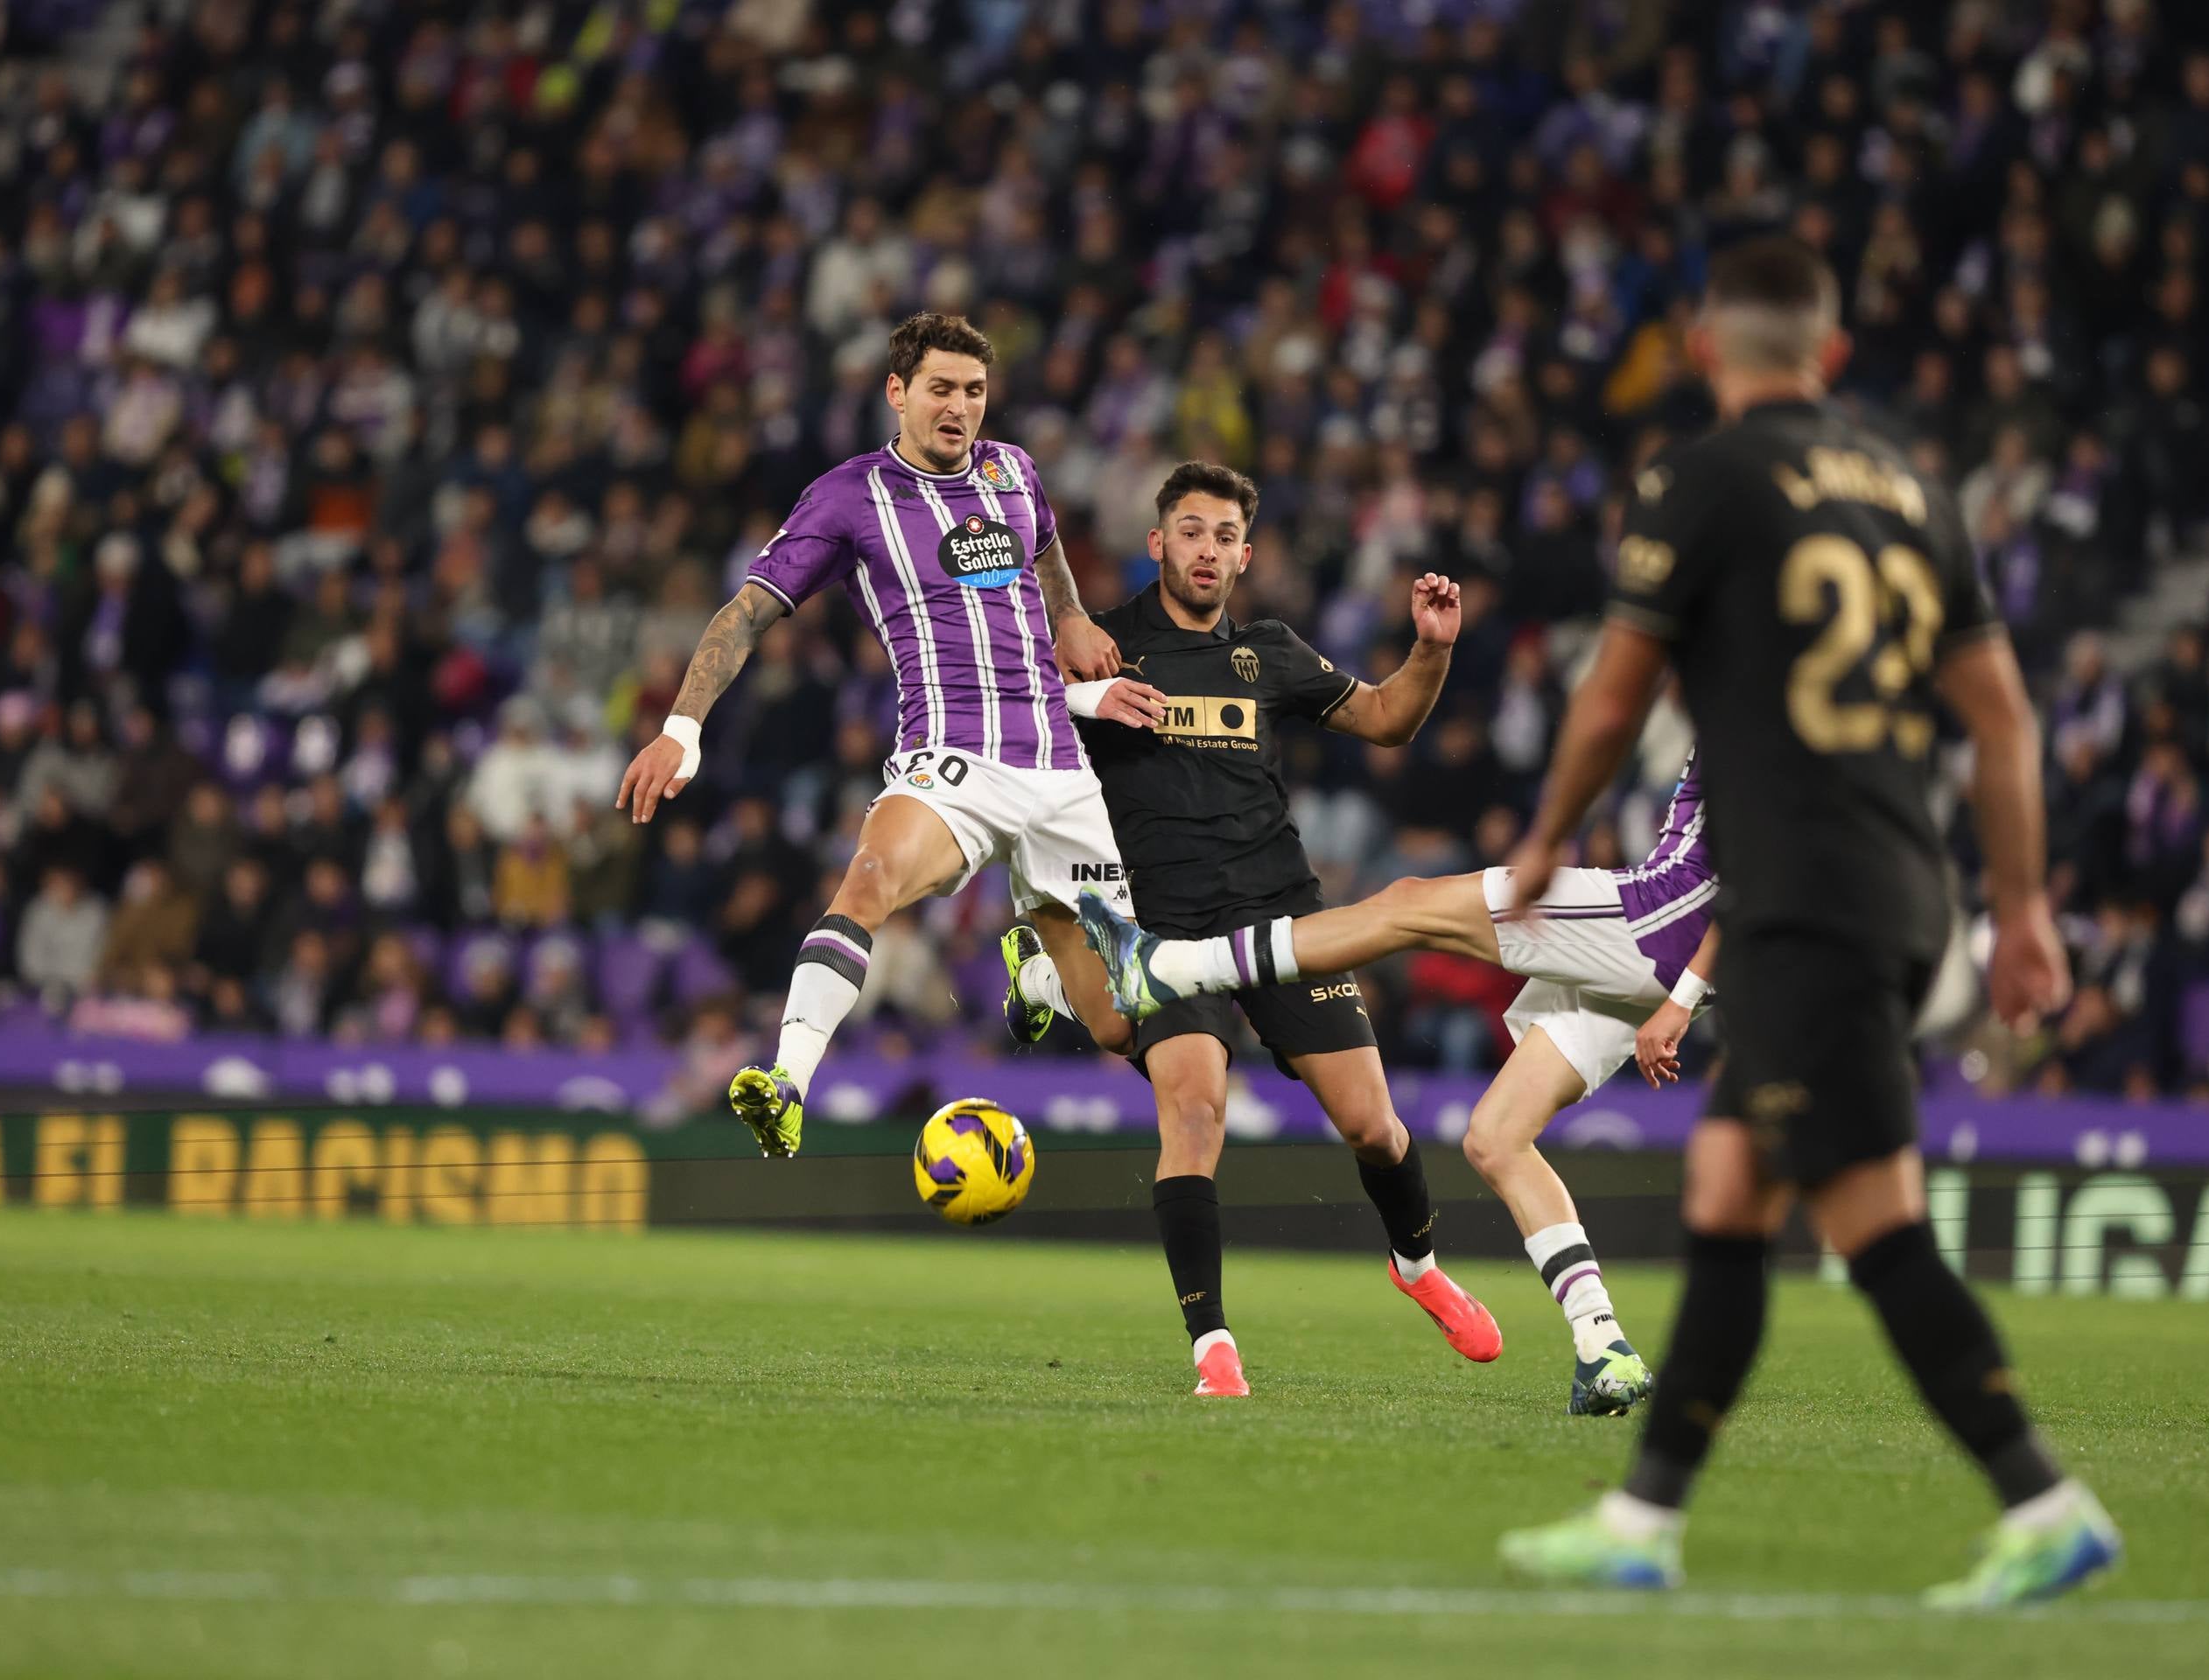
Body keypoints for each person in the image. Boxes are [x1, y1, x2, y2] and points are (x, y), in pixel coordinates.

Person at [1485, 235, 2109, 1604]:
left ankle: (2043, 1498)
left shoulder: (1703, 480)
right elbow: (2001, 722)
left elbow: (1608, 697)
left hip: (1801, 906)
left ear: (1707, 349)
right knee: (1728, 1194)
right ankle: (1643, 1523)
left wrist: (1539, 846)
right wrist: (2021, 912)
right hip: (1891, 893)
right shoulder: (1911, 490)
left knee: (1874, 1229)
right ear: (1828, 354)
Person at [999, 460, 1500, 1397]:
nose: (1207, 549)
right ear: (1158, 543)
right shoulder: (1099, 647)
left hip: (1278, 912)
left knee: (1374, 1128)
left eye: (1224, 536)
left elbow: (1389, 720)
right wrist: (1080, 700)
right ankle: (1213, 1349)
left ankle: (1418, 1267)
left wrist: (1430, 649)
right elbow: (1009, 725)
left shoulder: (1268, 651)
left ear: (1245, 555)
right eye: (1190, 530)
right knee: (1193, 1111)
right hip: (1161, 925)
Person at [614, 312, 1140, 1155]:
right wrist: (683, 728)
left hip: (1060, 766)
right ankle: (787, 1083)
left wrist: (1070, 616)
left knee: (1117, 1025)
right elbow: (748, 613)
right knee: (869, 876)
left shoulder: (1014, 471)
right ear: (897, 392)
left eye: (973, 391)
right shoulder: (849, 496)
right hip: (950, 758)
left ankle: (1037, 973)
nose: (958, 408)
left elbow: (1044, 545)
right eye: (940, 389)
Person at [1070, 749, 1722, 1415]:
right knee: (1497, 1140)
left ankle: (1170, 969)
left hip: (1654, 928)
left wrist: (1680, 999)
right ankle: (1602, 1344)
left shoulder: (1756, 697)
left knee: (1410, 906)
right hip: (1666, 958)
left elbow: (1762, 874)